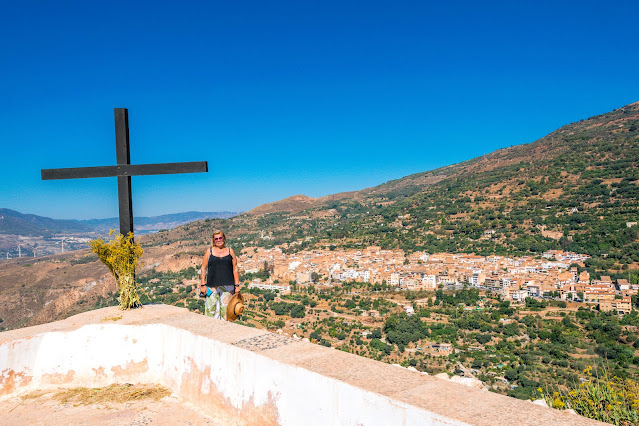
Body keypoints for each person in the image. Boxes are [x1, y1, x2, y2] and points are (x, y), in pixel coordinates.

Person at [200, 230, 240, 319]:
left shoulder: (230, 251)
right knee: (210, 311)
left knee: (226, 312)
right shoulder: (209, 251)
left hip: (228, 286)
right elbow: (203, 268)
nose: (218, 240)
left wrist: (237, 285)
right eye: (216, 239)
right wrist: (202, 284)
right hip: (211, 286)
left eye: (220, 238)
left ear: (224, 238)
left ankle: (224, 331)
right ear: (213, 240)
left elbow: (235, 268)